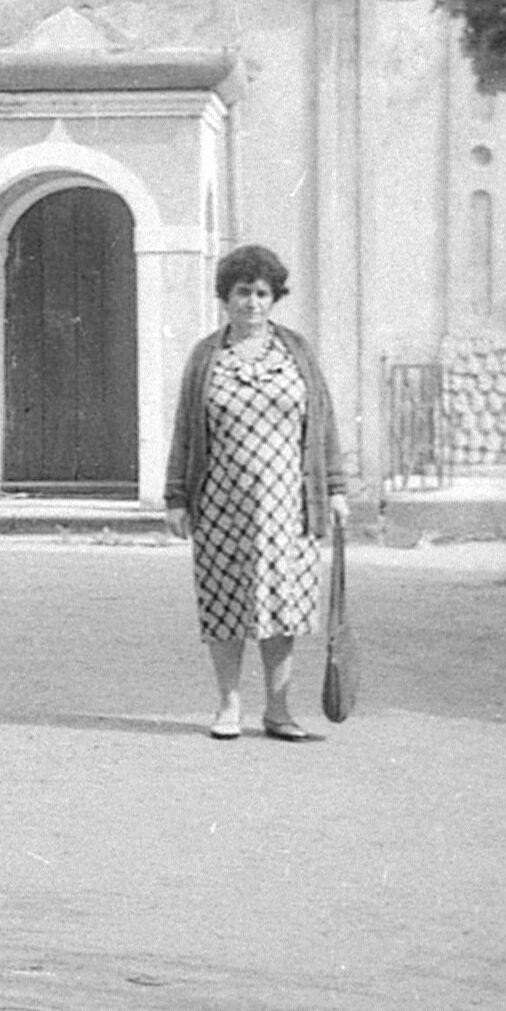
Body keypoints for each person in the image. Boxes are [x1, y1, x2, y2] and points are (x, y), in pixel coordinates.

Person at [162, 244, 352, 741]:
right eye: (242, 292)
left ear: (274, 298)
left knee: (283, 606)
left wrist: (334, 489)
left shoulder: (296, 352)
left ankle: (279, 709)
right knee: (224, 603)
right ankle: (228, 705)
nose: (252, 302)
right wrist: (176, 497)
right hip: (221, 504)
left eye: (262, 293)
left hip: (288, 507)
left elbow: (323, 423)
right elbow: (185, 429)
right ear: (226, 297)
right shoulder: (207, 356)